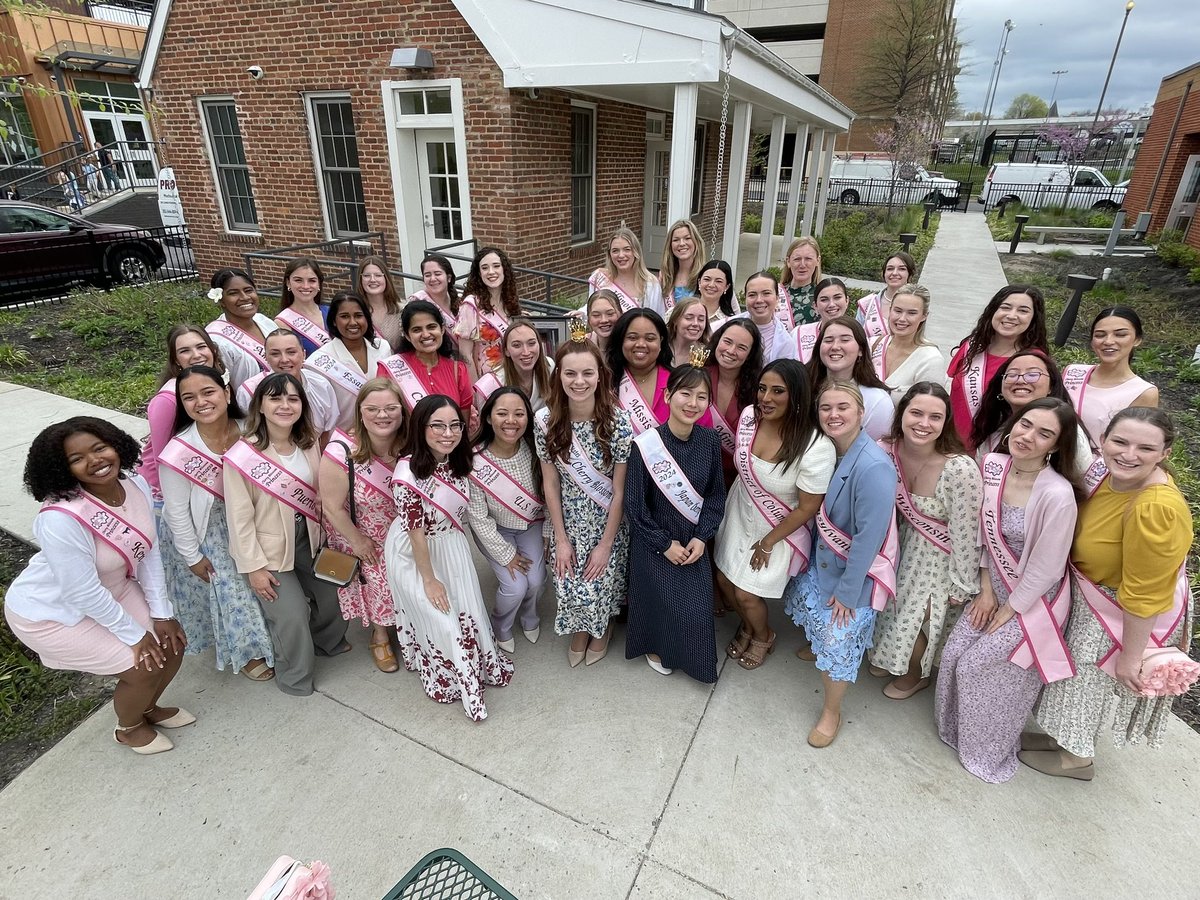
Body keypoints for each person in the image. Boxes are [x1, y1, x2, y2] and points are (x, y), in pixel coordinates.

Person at [4, 418, 190, 755]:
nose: (94, 461)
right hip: (54, 613)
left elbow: (149, 551)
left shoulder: (134, 484)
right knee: (142, 666)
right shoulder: (60, 519)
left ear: (115, 445)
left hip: (112, 590)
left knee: (172, 645)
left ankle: (146, 707)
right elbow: (82, 592)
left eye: (99, 448)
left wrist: (162, 614)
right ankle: (129, 728)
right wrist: (134, 635)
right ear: (63, 469)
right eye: (76, 459)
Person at [1025, 407, 1192, 781]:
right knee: (1071, 676)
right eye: (1120, 441)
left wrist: (1131, 657)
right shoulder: (1109, 476)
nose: (1129, 454)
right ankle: (1059, 738)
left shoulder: (1155, 508)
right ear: (1103, 442)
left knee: (1086, 678)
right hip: (1092, 592)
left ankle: (1076, 758)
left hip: (1118, 607)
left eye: (1145, 448)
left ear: (1164, 453)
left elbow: (1146, 593)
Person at [937, 398, 1081, 783]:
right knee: (954, 654)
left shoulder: (1057, 495)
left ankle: (986, 748)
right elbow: (985, 535)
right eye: (1025, 425)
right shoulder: (994, 467)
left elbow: (1048, 567)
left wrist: (1011, 608)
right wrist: (986, 590)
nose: (1029, 437)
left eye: (1044, 434)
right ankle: (956, 732)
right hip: (993, 585)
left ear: (1056, 446)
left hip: (1033, 601)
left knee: (977, 664)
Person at [386, 394, 514, 720]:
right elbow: (415, 533)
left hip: (452, 545)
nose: (448, 433)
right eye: (438, 426)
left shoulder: (457, 461)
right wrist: (430, 581)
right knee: (442, 619)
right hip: (415, 554)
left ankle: (475, 669)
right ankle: (453, 682)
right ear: (421, 427)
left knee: (465, 610)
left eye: (455, 425)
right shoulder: (408, 472)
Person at [786, 381, 898, 747]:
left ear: (861, 413)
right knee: (815, 619)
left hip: (855, 577)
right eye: (825, 408)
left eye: (842, 408)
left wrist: (849, 593)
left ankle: (831, 711)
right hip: (825, 562)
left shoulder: (874, 465)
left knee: (838, 639)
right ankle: (817, 646)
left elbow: (869, 538)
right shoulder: (829, 450)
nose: (833, 415)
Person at [224, 373, 349, 696]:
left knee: (334, 594)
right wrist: (254, 567)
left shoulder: (308, 445)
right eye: (276, 398)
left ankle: (328, 642)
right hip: (269, 550)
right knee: (291, 615)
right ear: (260, 407)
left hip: (310, 539)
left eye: (293, 399)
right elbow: (239, 519)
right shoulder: (243, 456)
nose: (285, 405)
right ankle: (295, 677)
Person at [715, 359, 834, 670]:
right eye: (763, 389)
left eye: (778, 391)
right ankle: (748, 627)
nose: (766, 398)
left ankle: (763, 635)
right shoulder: (750, 418)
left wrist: (767, 542)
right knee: (725, 582)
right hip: (741, 511)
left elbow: (809, 506)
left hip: (779, 528)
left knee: (747, 594)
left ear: (796, 396)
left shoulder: (815, 445)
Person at [160, 365, 274, 681]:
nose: (201, 402)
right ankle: (249, 652)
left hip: (252, 519)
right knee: (235, 590)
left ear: (225, 393)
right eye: (189, 397)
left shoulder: (250, 429)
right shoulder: (179, 451)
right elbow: (177, 512)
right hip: (209, 528)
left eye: (208, 392)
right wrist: (192, 556)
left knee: (265, 580)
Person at [870, 383, 982, 700]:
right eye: (916, 413)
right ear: (902, 413)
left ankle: (916, 675)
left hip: (939, 556)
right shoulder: (886, 451)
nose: (924, 423)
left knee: (920, 619)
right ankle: (888, 658)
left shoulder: (959, 468)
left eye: (935, 417)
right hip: (898, 542)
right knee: (891, 609)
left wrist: (961, 583)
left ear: (946, 422)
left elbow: (966, 533)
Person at [624, 363, 727, 681]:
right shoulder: (645, 446)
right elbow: (635, 506)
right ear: (668, 395)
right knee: (661, 604)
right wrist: (663, 544)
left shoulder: (710, 441)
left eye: (701, 396)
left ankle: (693, 660)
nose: (692, 403)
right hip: (655, 543)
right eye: (685, 393)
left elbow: (714, 496)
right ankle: (655, 646)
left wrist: (702, 537)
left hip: (692, 540)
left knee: (694, 610)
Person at [536, 338, 632, 667]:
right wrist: (560, 538)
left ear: (600, 376)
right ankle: (580, 629)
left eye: (588, 373)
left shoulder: (619, 423)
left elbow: (619, 491)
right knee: (569, 578)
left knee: (600, 580)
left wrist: (606, 543)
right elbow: (550, 483)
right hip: (569, 520)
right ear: (558, 376)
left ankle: (600, 628)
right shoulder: (545, 421)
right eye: (571, 374)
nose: (579, 382)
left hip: (608, 521)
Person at [319, 378, 406, 673]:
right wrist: (357, 541)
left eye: (391, 408)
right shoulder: (342, 450)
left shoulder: (410, 444)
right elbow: (331, 506)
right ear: (360, 412)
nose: (382, 415)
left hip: (404, 530)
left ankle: (411, 629)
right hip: (364, 533)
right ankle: (380, 636)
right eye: (373, 409)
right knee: (381, 585)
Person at [468, 386, 546, 653]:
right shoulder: (475, 460)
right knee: (515, 586)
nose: (511, 421)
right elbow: (477, 517)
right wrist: (506, 555)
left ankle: (530, 617)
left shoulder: (535, 448)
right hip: (494, 531)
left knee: (536, 580)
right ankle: (500, 625)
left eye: (519, 414)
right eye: (502, 413)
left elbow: (547, 497)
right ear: (489, 417)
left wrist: (548, 532)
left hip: (530, 526)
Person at [947, 284, 1048, 444]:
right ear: (993, 311)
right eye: (1005, 307)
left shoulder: (1034, 361)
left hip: (995, 450)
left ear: (1034, 318)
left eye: (1023, 310)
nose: (1011, 315)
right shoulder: (971, 347)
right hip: (951, 445)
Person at [137, 324, 227, 498]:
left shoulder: (220, 380)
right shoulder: (167, 400)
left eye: (201, 347)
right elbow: (161, 457)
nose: (196, 355)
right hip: (166, 489)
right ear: (176, 360)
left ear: (213, 350)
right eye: (185, 351)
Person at [968, 350, 1093, 475]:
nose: (1021, 380)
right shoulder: (993, 428)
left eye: (1032, 374)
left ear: (1051, 386)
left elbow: (1084, 482)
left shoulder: (1069, 430)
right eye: (1012, 374)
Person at [1063, 306, 1158, 451]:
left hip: (1098, 470)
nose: (1108, 341)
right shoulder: (1073, 373)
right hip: (1054, 462)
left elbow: (1136, 443)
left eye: (1120, 335)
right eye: (1100, 335)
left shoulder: (1143, 392)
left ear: (1137, 339)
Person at [305, 292, 393, 431]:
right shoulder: (318, 362)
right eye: (344, 316)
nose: (353, 322)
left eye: (358, 315)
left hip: (384, 433)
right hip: (344, 441)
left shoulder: (383, 348)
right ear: (334, 320)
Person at [237, 329, 339, 444]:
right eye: (275, 354)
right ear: (266, 357)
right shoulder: (249, 391)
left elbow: (327, 431)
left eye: (291, 352)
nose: (284, 360)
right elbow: (248, 435)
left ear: (303, 354)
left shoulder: (321, 385)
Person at [378, 300, 473, 418]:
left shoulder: (458, 370)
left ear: (442, 329)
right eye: (417, 330)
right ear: (407, 335)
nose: (426, 334)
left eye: (431, 327)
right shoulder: (389, 369)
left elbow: (463, 424)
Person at [807, 316, 894, 440]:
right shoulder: (802, 386)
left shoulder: (876, 400)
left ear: (861, 350)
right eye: (828, 340)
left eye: (845, 340)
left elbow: (876, 448)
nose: (835, 346)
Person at [705, 319, 764, 481]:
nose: (731, 351)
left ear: (750, 355)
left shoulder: (757, 390)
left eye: (741, 347)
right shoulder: (697, 376)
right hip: (694, 472)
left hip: (736, 478)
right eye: (727, 342)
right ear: (718, 340)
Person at [607, 308, 677, 436]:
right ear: (621, 340)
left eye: (650, 339)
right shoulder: (603, 381)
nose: (641, 344)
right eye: (632, 337)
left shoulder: (678, 383)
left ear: (661, 342)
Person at [456, 247, 522, 383]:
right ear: (479, 274)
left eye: (496, 266)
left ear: (504, 269)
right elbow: (465, 355)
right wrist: (475, 390)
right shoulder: (471, 305)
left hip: (513, 376)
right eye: (485, 268)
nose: (491, 272)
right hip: (487, 382)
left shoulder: (509, 302)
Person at [206, 267, 276, 393]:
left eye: (248, 290)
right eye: (233, 293)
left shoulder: (264, 321)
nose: (244, 297)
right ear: (221, 300)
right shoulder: (216, 339)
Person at [869, 283, 945, 398]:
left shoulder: (931, 360)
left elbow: (928, 406)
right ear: (890, 310)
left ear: (924, 316)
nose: (902, 319)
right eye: (898, 311)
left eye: (911, 313)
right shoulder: (872, 345)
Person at [473, 318, 554, 414]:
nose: (526, 352)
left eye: (531, 343)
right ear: (506, 351)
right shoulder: (490, 384)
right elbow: (485, 426)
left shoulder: (549, 367)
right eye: (517, 345)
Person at [587, 226, 664, 316]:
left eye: (627, 249)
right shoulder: (599, 278)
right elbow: (591, 309)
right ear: (610, 254)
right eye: (615, 251)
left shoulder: (650, 283)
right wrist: (581, 313)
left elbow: (658, 317)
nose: (621, 255)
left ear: (636, 252)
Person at [737, 271, 798, 364]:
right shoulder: (727, 326)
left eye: (766, 293)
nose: (759, 300)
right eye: (752, 295)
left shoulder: (785, 343)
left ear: (777, 298)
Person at [275, 256, 332, 355]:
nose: (305, 286)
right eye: (298, 280)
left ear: (319, 284)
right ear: (288, 283)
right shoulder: (282, 323)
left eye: (312, 280)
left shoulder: (332, 312)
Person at [855, 251, 917, 341]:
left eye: (902, 269)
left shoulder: (916, 303)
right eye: (890, 269)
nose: (894, 273)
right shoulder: (867, 304)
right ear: (884, 273)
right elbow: (857, 337)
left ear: (910, 274)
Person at [792, 276, 850, 363]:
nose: (831, 304)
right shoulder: (798, 333)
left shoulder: (858, 334)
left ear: (847, 301)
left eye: (837, 297)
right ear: (815, 306)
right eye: (824, 299)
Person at [357, 255, 404, 348]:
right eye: (366, 276)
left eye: (378, 275)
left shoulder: (402, 310)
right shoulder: (355, 311)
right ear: (360, 279)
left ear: (386, 278)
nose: (372, 280)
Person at [407, 254, 461, 335]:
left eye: (437, 274)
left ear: (449, 277)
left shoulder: (459, 300)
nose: (432, 279)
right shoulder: (417, 301)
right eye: (427, 275)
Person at [659, 219, 705, 309]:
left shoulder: (707, 274)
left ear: (696, 242)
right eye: (676, 240)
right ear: (670, 245)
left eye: (687, 238)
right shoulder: (665, 276)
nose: (682, 243)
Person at [778, 236, 822, 327]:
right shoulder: (775, 293)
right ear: (788, 261)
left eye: (808, 259)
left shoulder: (822, 297)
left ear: (817, 261)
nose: (802, 265)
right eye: (797, 259)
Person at [665, 296, 711, 368]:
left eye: (701, 319)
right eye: (689, 318)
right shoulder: (661, 348)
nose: (695, 323)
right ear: (675, 320)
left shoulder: (706, 355)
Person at [695, 259, 738, 331]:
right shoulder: (680, 311)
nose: (711, 285)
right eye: (707, 279)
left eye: (718, 281)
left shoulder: (731, 322)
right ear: (699, 282)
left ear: (727, 286)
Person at [585, 288, 621, 356]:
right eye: (596, 315)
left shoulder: (629, 345)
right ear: (589, 318)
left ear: (620, 314)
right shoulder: (581, 346)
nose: (604, 320)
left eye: (610, 314)